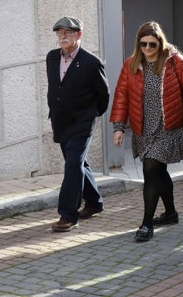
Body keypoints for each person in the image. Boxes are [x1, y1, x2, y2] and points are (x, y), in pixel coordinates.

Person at [110, 21, 183, 242]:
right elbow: (121, 96)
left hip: (167, 127)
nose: (148, 48)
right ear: (138, 43)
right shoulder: (131, 64)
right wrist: (119, 127)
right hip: (143, 129)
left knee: (151, 169)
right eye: (144, 44)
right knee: (158, 172)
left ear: (160, 43)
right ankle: (170, 212)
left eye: (153, 44)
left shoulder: (174, 62)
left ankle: (146, 223)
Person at [46, 17, 110, 233]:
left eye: (68, 32)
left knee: (72, 165)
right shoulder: (52, 57)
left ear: (78, 35)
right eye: (59, 33)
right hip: (61, 122)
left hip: (82, 123)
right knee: (78, 164)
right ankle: (94, 203)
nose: (62, 36)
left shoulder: (91, 61)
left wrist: (91, 115)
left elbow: (104, 94)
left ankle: (68, 215)